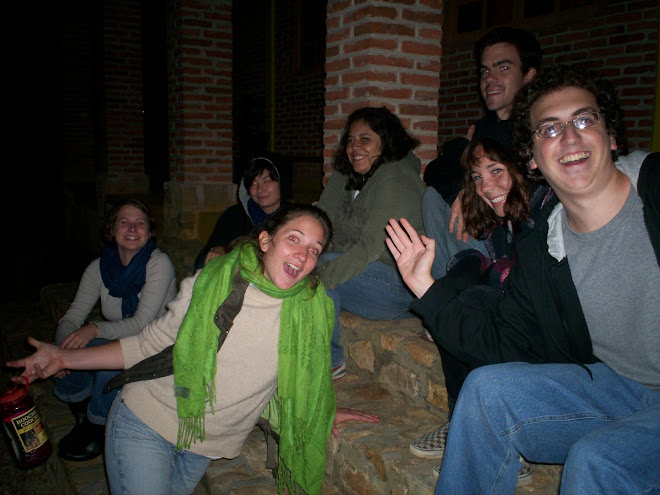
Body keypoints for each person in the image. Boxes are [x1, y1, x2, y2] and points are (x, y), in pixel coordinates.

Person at [386, 65, 659, 494]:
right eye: (549, 129)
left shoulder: (653, 192)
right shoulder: (544, 244)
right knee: (486, 389)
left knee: (598, 459)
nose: (569, 138)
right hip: (617, 387)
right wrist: (425, 287)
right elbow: (504, 342)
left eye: (584, 120)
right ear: (532, 157)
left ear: (611, 138)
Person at [9, 204, 380, 495]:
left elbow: (302, 379)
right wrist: (62, 357)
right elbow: (146, 344)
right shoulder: (215, 283)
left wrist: (320, 410)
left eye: (315, 249)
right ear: (266, 241)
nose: (303, 256)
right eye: (294, 239)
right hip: (147, 421)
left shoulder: (311, 309)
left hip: (205, 444)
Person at [407, 138, 553, 482]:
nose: (487, 186)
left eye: (497, 171)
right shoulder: (507, 220)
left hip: (556, 348)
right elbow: (440, 168)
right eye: (477, 177)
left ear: (525, 166)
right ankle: (461, 420)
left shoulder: (545, 212)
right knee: (457, 297)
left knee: (472, 303)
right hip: (521, 322)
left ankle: (507, 442)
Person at [52, 198, 177, 462]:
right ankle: (83, 413)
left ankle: (100, 425)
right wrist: (62, 350)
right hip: (127, 342)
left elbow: (143, 324)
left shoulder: (158, 263)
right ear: (112, 230)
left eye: (139, 223)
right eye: (124, 222)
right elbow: (72, 316)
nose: (132, 228)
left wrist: (95, 329)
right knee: (70, 344)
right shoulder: (99, 267)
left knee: (109, 360)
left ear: (149, 231)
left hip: (157, 346)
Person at [316, 106, 426, 380]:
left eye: (365, 139)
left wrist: (314, 274)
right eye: (351, 140)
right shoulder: (347, 175)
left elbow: (371, 247)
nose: (355, 147)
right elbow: (321, 222)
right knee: (306, 256)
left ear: (386, 141)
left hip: (399, 287)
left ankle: (331, 360)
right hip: (360, 278)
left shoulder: (396, 177)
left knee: (320, 264)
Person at [422, 27, 542, 277]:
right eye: (485, 71)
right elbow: (435, 170)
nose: (490, 78)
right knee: (433, 197)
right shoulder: (485, 128)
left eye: (503, 68)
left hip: (518, 247)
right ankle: (447, 290)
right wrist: (460, 190)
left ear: (529, 76)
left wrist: (458, 152)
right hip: (483, 231)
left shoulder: (539, 128)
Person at [194, 153, 292, 270]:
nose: (260, 189)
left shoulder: (293, 218)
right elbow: (207, 254)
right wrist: (218, 249)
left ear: (282, 183)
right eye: (253, 183)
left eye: (267, 181)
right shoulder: (234, 215)